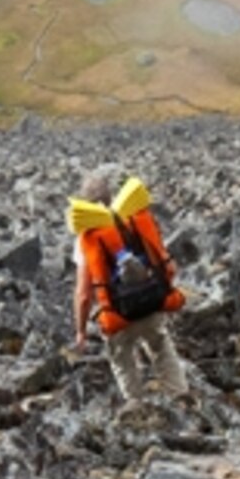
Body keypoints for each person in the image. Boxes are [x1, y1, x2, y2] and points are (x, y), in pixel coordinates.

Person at [69, 166, 189, 407]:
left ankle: (137, 408)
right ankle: (180, 400)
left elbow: (83, 294)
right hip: (151, 298)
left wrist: (81, 331)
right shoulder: (133, 220)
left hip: (117, 312)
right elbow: (163, 261)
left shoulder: (88, 238)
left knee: (122, 359)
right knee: (160, 346)